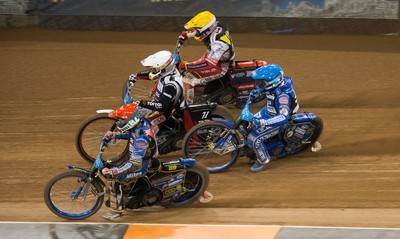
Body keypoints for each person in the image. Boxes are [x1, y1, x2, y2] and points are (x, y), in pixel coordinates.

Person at [101, 103, 159, 220]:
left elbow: (134, 164)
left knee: (115, 178)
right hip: (138, 156)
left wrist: (114, 171)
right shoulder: (139, 123)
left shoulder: (141, 139)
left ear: (131, 121)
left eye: (122, 120)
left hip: (140, 165)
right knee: (114, 167)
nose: (119, 122)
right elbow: (131, 135)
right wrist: (115, 135)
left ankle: (117, 211)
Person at [246, 64, 300, 173]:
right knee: (246, 123)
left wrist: (262, 122)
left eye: (262, 82)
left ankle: (263, 160)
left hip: (279, 120)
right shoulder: (275, 85)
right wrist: (255, 93)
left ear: (273, 82)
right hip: (269, 111)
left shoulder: (283, 96)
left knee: (253, 138)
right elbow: (262, 89)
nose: (259, 84)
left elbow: (283, 117)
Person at [177, 10, 235, 104]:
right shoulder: (215, 26)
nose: (196, 32)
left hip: (219, 66)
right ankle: (200, 89)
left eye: (197, 30)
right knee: (191, 67)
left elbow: (209, 64)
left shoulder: (219, 43)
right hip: (216, 56)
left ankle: (187, 107)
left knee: (188, 79)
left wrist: (187, 66)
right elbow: (199, 31)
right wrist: (186, 35)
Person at [128, 50, 185, 134]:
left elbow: (161, 106)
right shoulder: (168, 71)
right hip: (159, 106)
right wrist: (136, 75)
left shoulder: (171, 85)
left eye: (156, 68)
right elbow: (152, 74)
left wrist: (142, 103)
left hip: (166, 113)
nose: (154, 70)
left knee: (142, 132)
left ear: (164, 68)